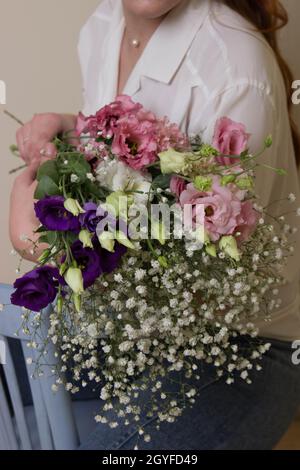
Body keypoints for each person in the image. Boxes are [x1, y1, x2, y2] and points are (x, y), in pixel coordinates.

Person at [9, 0, 300, 450]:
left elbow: (199, 283)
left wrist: (41, 244)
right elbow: (119, 168)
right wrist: (69, 126)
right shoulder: (102, 28)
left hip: (243, 348)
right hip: (131, 332)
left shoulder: (235, 68)